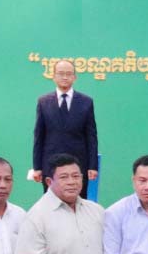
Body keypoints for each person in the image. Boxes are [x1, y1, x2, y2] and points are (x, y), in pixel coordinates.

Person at [32, 58, 98, 197]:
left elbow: (91, 137)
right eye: (61, 73)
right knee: (51, 202)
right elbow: (39, 136)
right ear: (53, 76)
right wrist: (37, 167)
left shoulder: (86, 102)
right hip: (50, 163)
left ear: (75, 77)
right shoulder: (43, 102)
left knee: (77, 201)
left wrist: (93, 166)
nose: (65, 77)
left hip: (78, 163)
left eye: (69, 74)